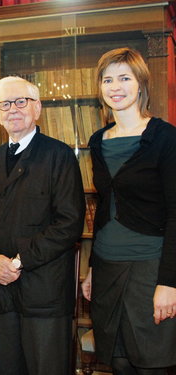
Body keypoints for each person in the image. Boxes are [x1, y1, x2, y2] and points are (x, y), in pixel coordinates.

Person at [0, 76, 85, 375]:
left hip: (44, 292)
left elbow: (68, 223)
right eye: (5, 104)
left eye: (21, 101)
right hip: (1, 291)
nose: (13, 110)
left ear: (37, 108)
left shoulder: (58, 156)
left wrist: (18, 262)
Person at [81, 47, 176, 374]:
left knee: (152, 364)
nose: (115, 86)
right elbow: (105, 207)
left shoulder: (165, 138)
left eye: (124, 77)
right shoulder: (97, 141)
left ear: (140, 84)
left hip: (150, 267)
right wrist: (92, 267)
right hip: (107, 266)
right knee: (118, 360)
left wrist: (169, 282)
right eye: (108, 79)